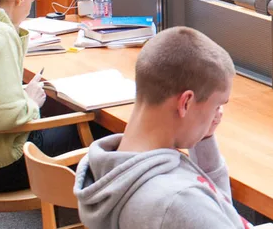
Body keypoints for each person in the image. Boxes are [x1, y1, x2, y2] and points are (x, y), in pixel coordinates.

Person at [74, 27, 251, 228]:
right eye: (216, 105)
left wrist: (205, 138)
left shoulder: (108, 171)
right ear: (186, 103)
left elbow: (221, 211)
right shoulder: (180, 203)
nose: (216, 116)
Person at [0, 0, 83, 193]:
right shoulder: (0, 34)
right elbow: (3, 117)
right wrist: (31, 101)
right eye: (32, 2)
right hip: (2, 165)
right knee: (97, 132)